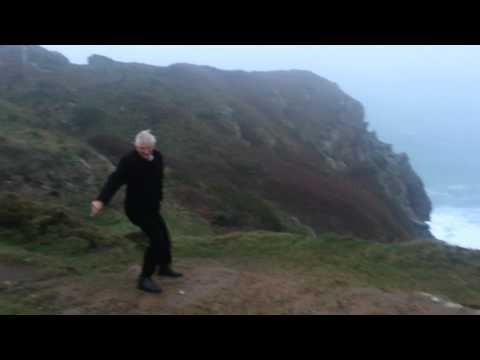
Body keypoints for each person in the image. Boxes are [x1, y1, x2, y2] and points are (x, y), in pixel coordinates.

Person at [91, 129, 182, 294]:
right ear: (136, 146)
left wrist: (158, 198)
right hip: (136, 209)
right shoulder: (129, 161)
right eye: (142, 148)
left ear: (153, 146)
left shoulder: (158, 157)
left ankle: (163, 267)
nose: (146, 151)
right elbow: (115, 180)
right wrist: (101, 200)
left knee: (165, 236)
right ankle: (144, 278)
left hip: (153, 207)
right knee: (156, 240)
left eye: (149, 148)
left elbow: (157, 180)